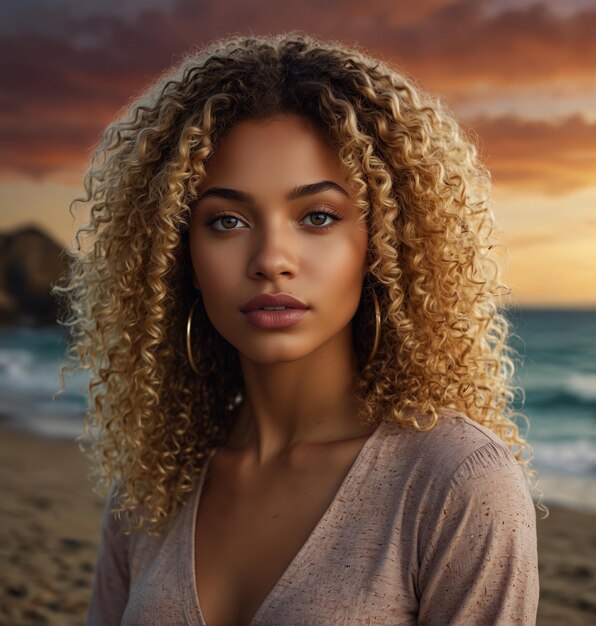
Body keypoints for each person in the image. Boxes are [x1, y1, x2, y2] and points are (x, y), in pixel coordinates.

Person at [58, 32, 542, 625]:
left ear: (386, 243)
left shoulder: (456, 483)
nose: (271, 258)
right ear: (177, 252)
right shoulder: (151, 492)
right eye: (228, 220)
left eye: (317, 216)